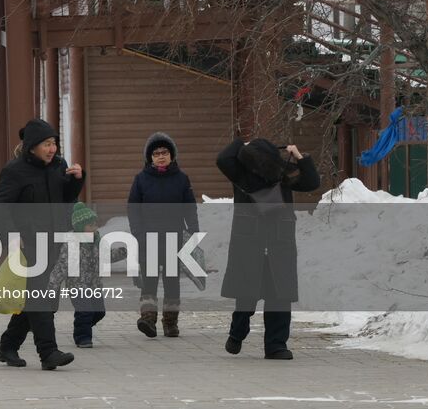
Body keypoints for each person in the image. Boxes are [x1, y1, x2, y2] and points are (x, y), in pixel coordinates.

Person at [215, 137, 320, 360]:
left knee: (276, 295)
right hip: (253, 244)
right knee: (249, 294)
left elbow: (311, 183)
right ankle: (244, 335)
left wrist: (241, 143)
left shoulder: (279, 176)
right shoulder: (247, 175)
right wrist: (299, 156)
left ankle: (272, 344)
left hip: (277, 244)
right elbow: (222, 159)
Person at [0, 118, 85, 371]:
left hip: (54, 241)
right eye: (46, 144)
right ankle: (48, 352)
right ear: (32, 146)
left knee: (38, 299)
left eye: (54, 143)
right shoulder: (15, 171)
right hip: (29, 244)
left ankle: (8, 346)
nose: (52, 149)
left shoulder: (59, 166)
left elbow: (66, 199)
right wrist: (12, 236)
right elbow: (0, 207)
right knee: (40, 298)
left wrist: (77, 180)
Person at [127, 132, 199, 338]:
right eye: (156, 153)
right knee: (149, 280)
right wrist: (138, 233)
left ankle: (170, 323)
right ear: (150, 157)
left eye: (164, 152)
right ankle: (148, 320)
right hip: (148, 238)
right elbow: (133, 209)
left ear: (172, 155)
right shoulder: (141, 179)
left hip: (173, 237)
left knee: (171, 280)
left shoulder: (181, 179)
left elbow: (189, 207)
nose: (160, 156)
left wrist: (193, 230)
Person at [47, 202, 106, 348]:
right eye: (90, 225)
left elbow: (106, 256)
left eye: (95, 225)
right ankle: (82, 338)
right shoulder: (71, 244)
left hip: (94, 285)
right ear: (80, 227)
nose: (94, 228)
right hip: (77, 285)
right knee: (85, 311)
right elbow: (62, 265)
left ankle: (82, 325)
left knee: (99, 312)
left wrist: (123, 253)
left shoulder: (97, 242)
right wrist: (53, 285)